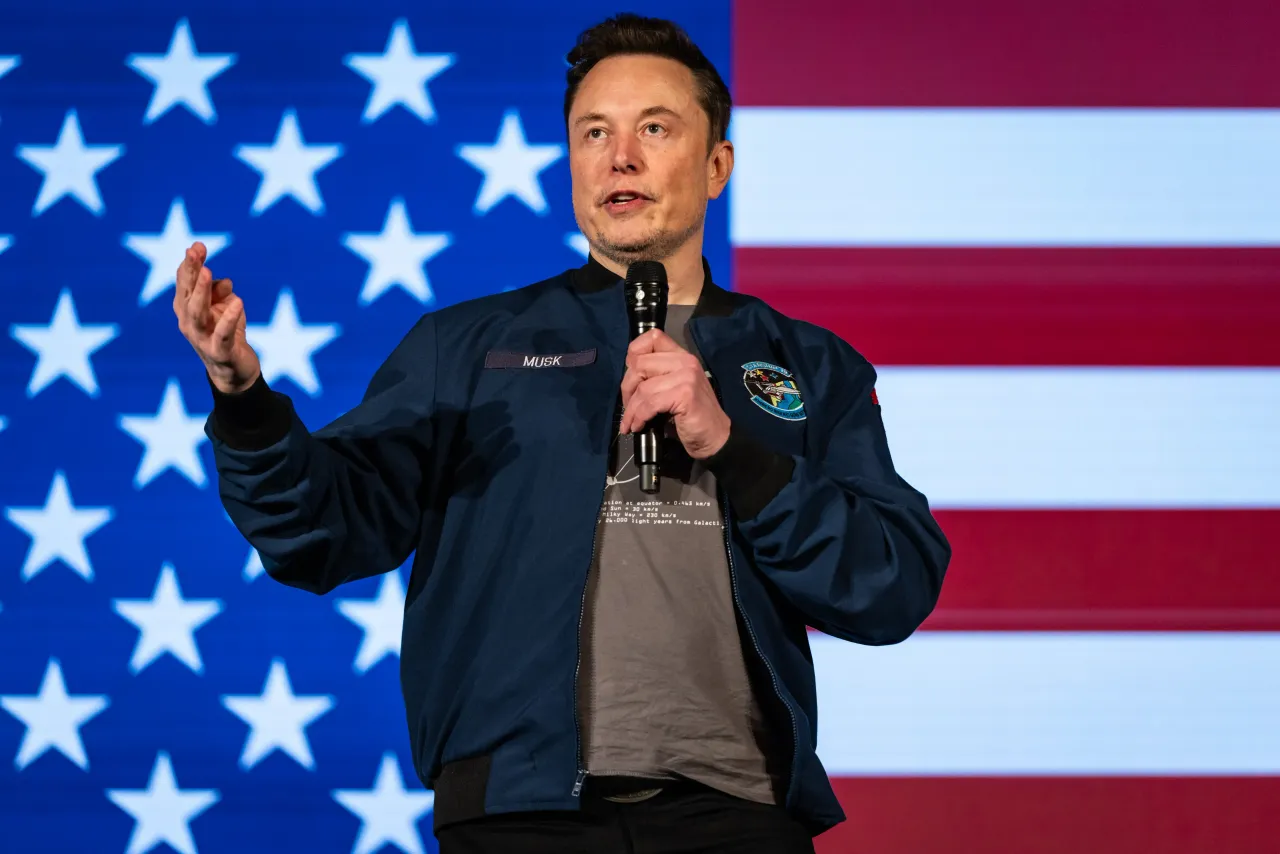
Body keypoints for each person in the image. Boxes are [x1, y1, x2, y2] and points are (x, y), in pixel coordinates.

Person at [174, 12, 951, 854]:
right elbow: (319, 533)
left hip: (740, 812)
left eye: (655, 128)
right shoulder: (465, 348)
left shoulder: (810, 365)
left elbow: (891, 586)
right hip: (519, 813)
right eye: (594, 133)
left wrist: (733, 449)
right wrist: (242, 393)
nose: (621, 157)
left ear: (717, 165)